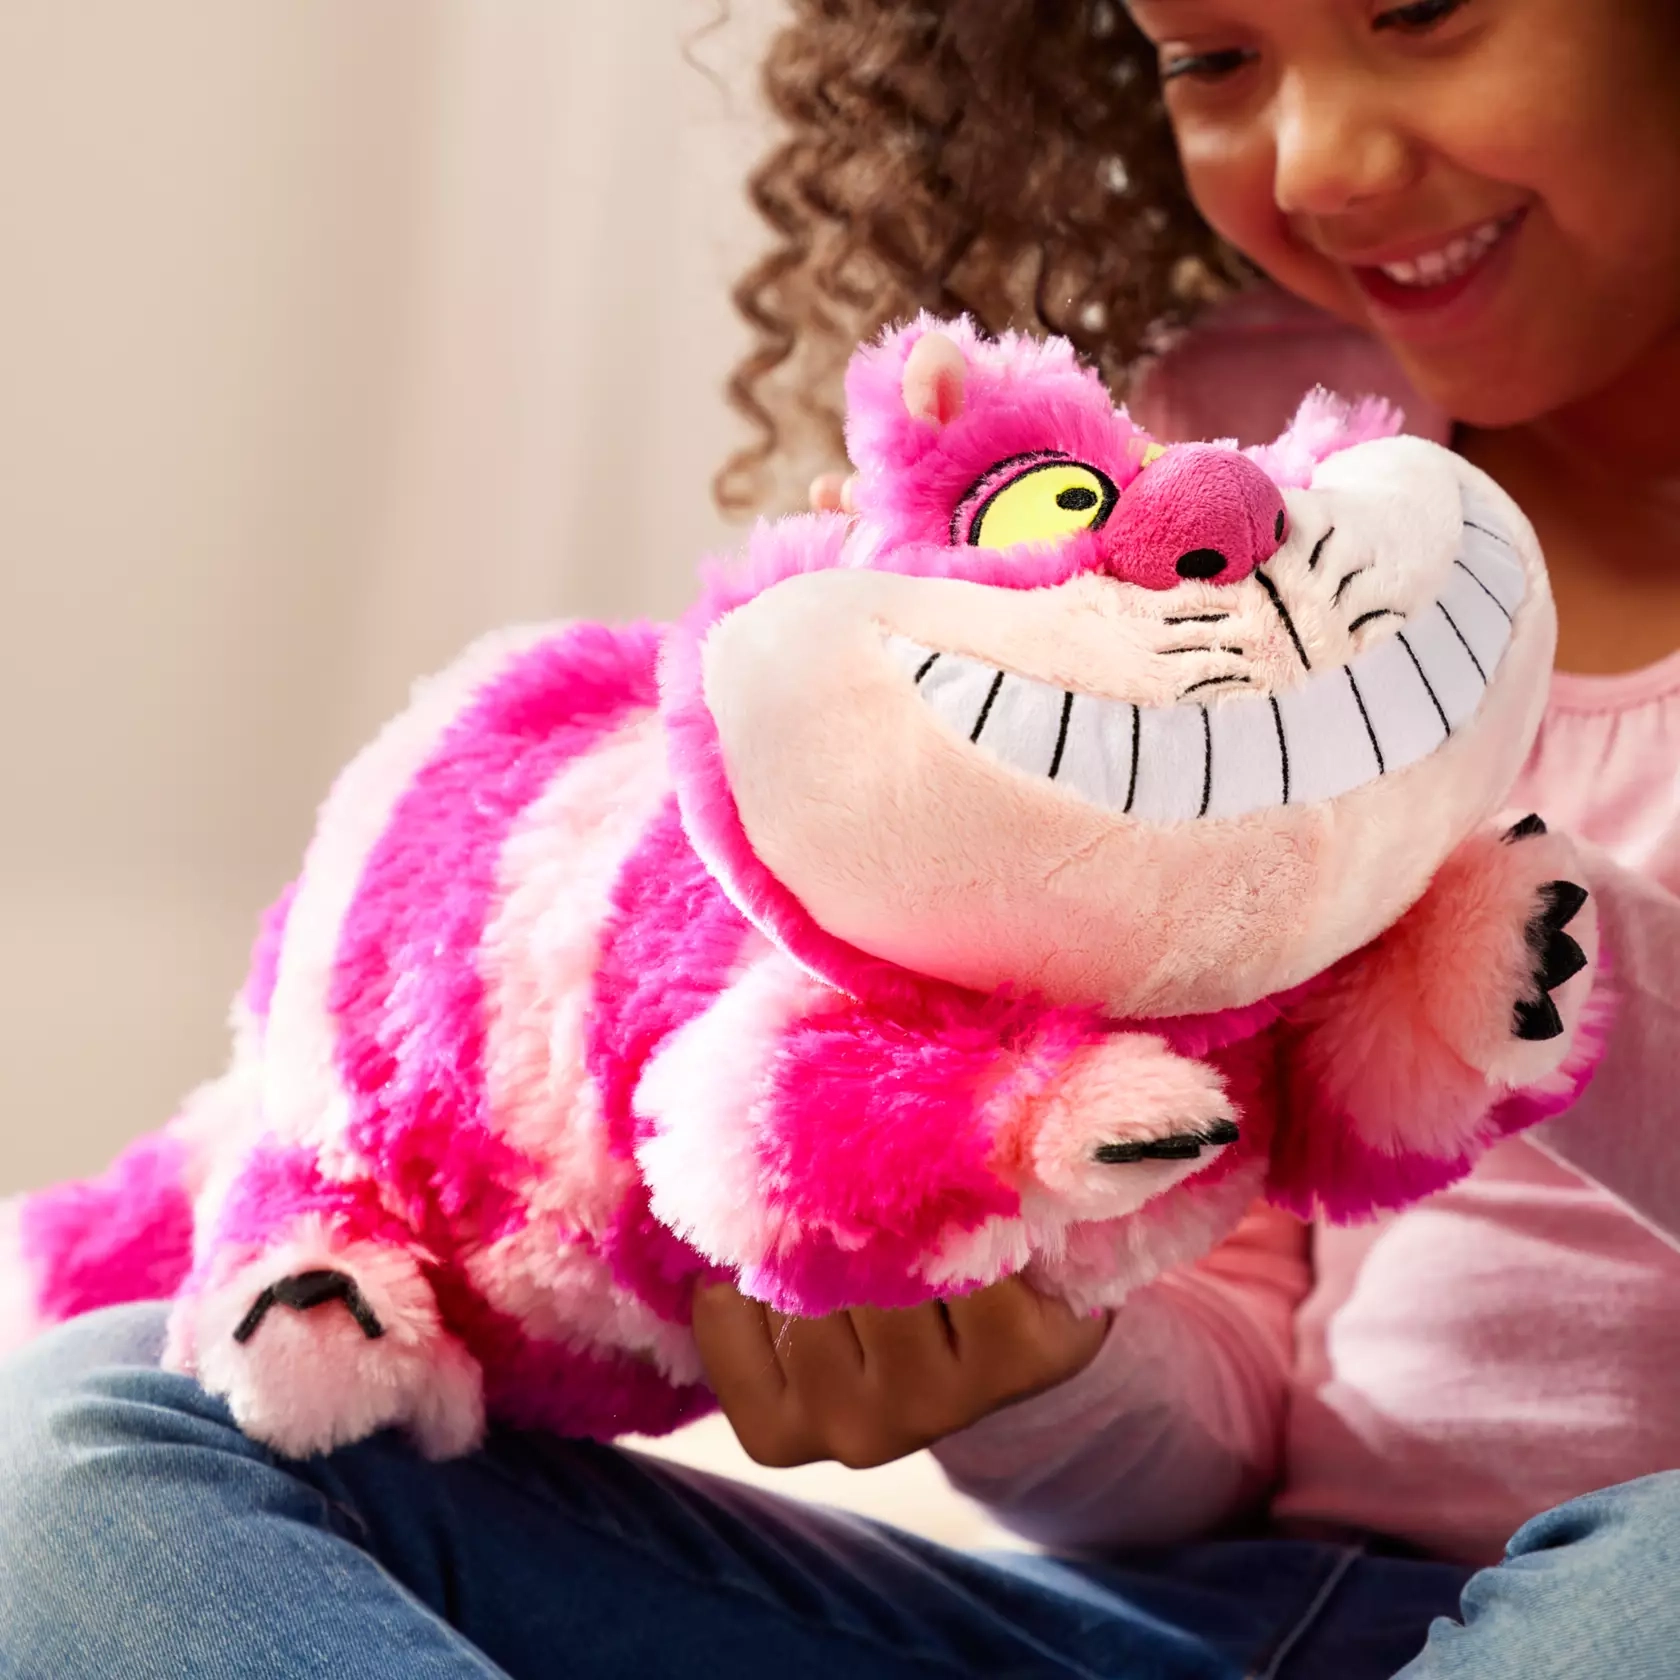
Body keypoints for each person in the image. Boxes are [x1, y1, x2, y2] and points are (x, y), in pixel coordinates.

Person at [4, 2, 1679, 1674]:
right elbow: (1227, 1399)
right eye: (1212, 61)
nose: (1318, 163)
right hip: (1217, 1627)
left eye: (1421, 9)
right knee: (102, 1431)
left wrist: (1412, 865)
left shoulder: (1290, 560)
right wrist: (1030, 1340)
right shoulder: (1218, 436)